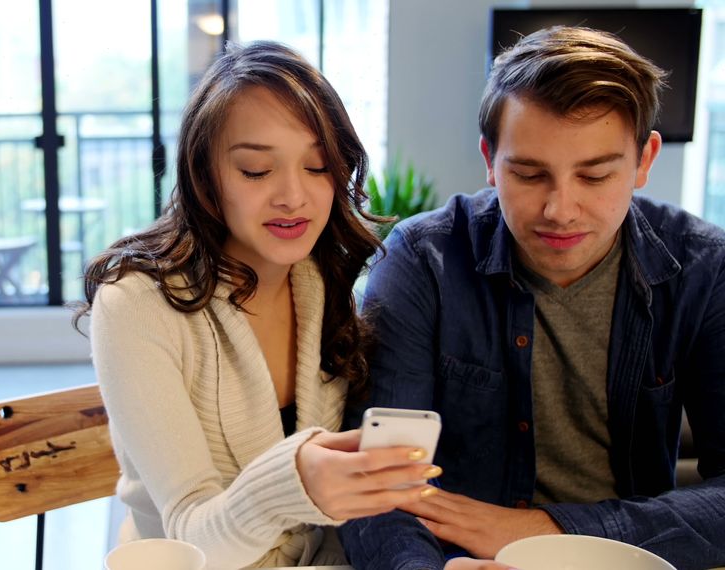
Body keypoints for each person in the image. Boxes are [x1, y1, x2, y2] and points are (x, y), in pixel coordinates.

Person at [339, 26, 725, 570]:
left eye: (595, 176)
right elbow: (376, 486)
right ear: (490, 161)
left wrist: (546, 531)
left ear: (644, 161)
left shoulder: (704, 268)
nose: (560, 210)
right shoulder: (423, 262)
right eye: (528, 173)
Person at [76, 41, 441, 568]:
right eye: (255, 171)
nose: (293, 195)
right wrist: (296, 482)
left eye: (317, 167)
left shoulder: (324, 284)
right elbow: (190, 536)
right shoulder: (136, 304)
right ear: (206, 178)